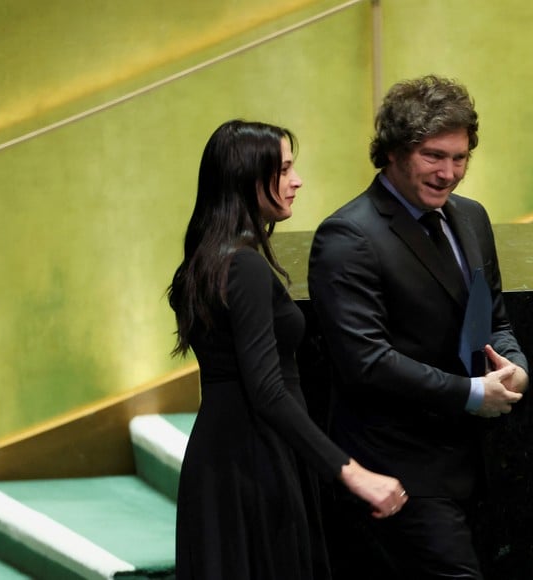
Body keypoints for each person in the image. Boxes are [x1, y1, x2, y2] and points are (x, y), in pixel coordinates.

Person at [307, 75, 530, 579]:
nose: (448, 172)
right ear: (392, 152)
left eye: (460, 157)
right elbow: (365, 361)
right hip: (397, 469)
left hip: (474, 465)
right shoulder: (349, 236)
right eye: (434, 156)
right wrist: (471, 393)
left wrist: (516, 368)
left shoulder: (471, 218)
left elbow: (495, 319)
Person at [169, 119, 407, 579]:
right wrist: (351, 472)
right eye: (282, 170)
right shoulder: (245, 268)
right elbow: (268, 390)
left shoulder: (206, 261)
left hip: (222, 461)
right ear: (246, 179)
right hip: (254, 463)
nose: (295, 181)